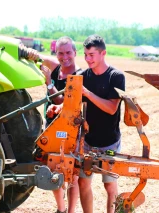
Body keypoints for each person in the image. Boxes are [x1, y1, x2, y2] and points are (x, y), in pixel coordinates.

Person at [46, 34, 125, 213]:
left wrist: (87, 94)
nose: (88, 59)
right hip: (86, 142)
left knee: (110, 185)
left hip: (109, 142)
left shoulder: (116, 77)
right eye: (86, 55)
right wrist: (57, 109)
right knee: (83, 183)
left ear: (103, 53)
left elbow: (112, 108)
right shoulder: (81, 76)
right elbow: (70, 104)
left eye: (92, 55)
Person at [27, 36, 82, 213]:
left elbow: (63, 101)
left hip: (71, 130)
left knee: (72, 174)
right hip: (52, 128)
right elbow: (37, 57)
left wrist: (49, 82)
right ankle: (61, 209)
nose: (64, 57)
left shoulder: (79, 75)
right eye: (60, 53)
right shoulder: (56, 68)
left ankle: (71, 210)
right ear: (56, 53)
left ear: (75, 52)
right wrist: (26, 51)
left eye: (68, 52)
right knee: (53, 169)